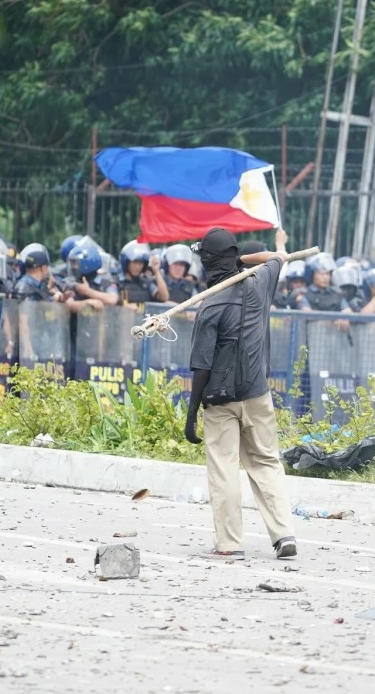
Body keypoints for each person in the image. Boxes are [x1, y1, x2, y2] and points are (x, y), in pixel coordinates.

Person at [183, 226, 296, 561]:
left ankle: (229, 542)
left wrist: (191, 414)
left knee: (224, 468)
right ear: (234, 257)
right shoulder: (261, 283)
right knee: (266, 462)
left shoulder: (209, 306)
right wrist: (273, 246)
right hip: (257, 394)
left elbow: (201, 367)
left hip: (220, 400)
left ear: (205, 263)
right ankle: (284, 534)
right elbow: (278, 258)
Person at [64, 243, 119, 313]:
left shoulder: (106, 282)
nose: (73, 267)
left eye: (75, 263)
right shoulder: (73, 282)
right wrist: (87, 303)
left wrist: (88, 291)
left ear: (87, 264)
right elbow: (69, 304)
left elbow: (112, 299)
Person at [118, 240, 169, 308]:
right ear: (127, 262)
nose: (138, 266)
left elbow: (163, 297)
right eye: (135, 262)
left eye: (141, 263)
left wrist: (156, 271)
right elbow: (111, 299)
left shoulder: (147, 283)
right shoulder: (117, 283)